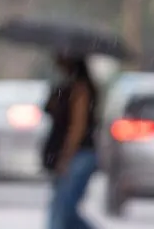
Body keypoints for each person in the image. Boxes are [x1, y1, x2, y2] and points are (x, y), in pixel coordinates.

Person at [42, 53, 100, 229]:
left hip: (79, 155)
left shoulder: (81, 89)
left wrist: (66, 156)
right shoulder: (65, 87)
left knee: (61, 213)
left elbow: (78, 126)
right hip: (73, 155)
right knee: (64, 213)